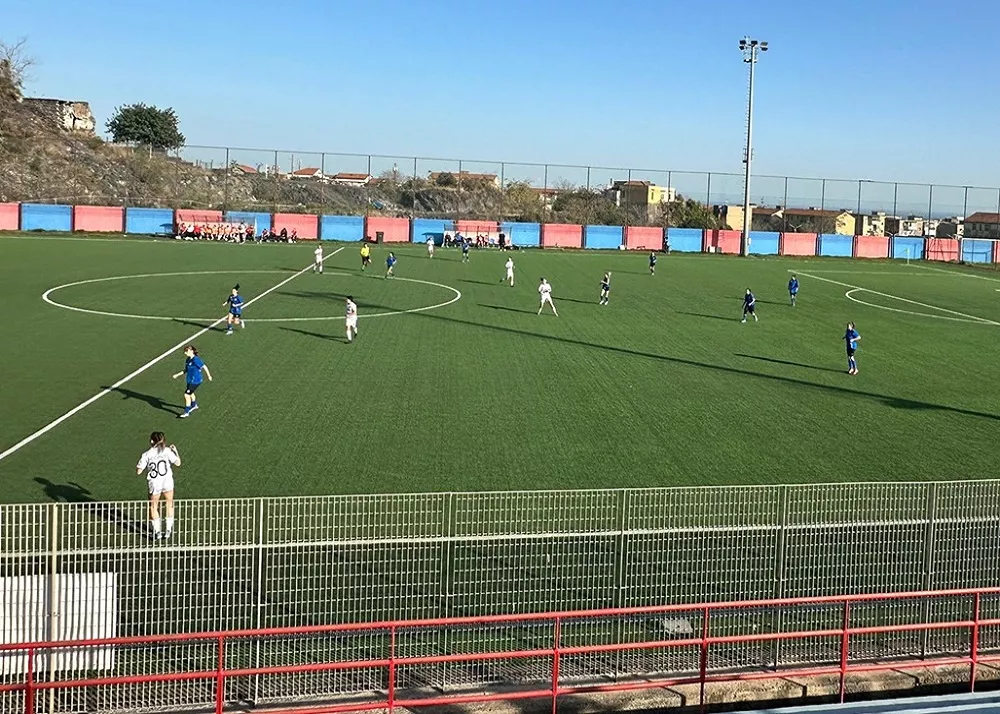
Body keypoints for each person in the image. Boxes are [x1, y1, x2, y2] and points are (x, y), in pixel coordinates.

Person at [136, 431, 180, 540]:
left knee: (153, 506)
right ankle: (168, 530)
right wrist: (176, 451)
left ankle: (157, 532)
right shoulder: (167, 451)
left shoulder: (147, 454)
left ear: (152, 441)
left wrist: (140, 466)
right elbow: (178, 463)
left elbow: (139, 471)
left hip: (155, 483)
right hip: (167, 481)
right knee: (169, 503)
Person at [172, 345, 212, 418]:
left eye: (186, 351)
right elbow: (186, 370)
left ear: (191, 351)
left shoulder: (196, 360)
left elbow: (204, 366)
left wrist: (209, 376)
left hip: (196, 380)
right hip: (190, 380)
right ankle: (194, 405)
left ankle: (186, 412)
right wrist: (177, 375)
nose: (185, 353)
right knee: (191, 393)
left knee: (186, 395)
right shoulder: (188, 360)